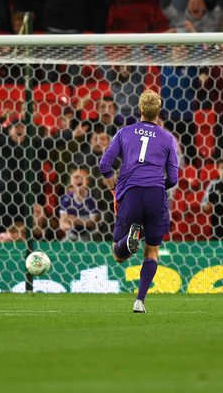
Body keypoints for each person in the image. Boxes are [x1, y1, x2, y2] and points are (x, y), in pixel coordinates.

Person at [98, 90, 179, 313]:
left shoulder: (125, 132)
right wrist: (157, 187)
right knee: (152, 252)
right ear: (158, 112)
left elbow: (104, 165)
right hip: (155, 194)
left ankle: (133, 235)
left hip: (130, 192)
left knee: (118, 254)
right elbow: (173, 178)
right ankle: (140, 301)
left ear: (140, 110)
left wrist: (114, 186)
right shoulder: (167, 138)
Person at [58, 169, 99, 241]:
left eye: (82, 177)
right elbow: (62, 222)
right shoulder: (66, 199)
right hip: (71, 234)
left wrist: (76, 221)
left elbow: (93, 223)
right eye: (76, 177)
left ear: (87, 181)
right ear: (71, 180)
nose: (79, 179)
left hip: (88, 235)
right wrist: (67, 224)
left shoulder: (92, 199)